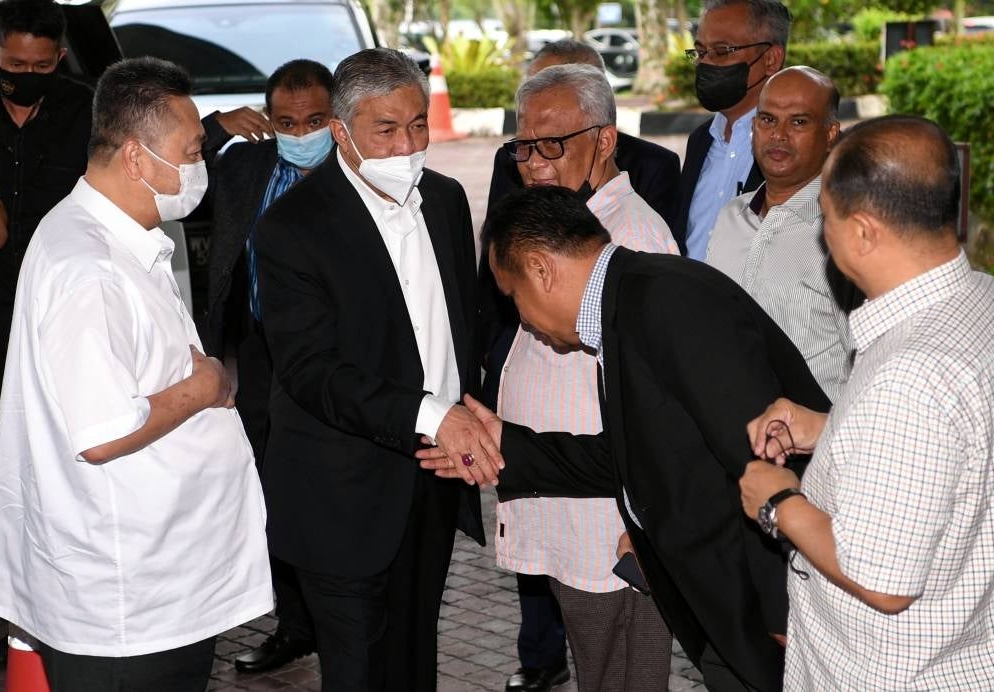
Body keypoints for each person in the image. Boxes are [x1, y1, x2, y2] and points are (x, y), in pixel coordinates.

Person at [421, 185, 831, 692]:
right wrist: (510, 444)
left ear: (541, 269)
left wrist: (781, 614)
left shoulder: (670, 302)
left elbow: (763, 456)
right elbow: (630, 456)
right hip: (725, 605)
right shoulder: (625, 305)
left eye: (514, 297)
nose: (520, 318)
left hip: (762, 613)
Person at [0, 56, 272, 691]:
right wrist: (201, 390)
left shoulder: (117, 235)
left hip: (156, 582)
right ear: (138, 159)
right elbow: (103, 431)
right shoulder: (88, 266)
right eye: (192, 149)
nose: (201, 164)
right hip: (125, 603)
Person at [254, 47, 491, 691]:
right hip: (342, 489)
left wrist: (472, 401)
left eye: (418, 125)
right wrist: (431, 412)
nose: (407, 144)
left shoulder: (442, 200)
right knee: (358, 670)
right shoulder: (291, 228)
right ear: (342, 131)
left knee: (415, 657)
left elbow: (455, 323)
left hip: (434, 481)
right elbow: (310, 369)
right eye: (385, 129)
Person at [740, 116, 994, 690]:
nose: (820, 235)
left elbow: (882, 578)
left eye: (823, 219)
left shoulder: (908, 375)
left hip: (888, 671)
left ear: (862, 232)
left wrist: (777, 500)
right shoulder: (979, 297)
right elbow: (947, 455)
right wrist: (827, 429)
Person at [495, 64, 678, 692]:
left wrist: (645, 521)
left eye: (554, 144)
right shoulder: (566, 223)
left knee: (625, 676)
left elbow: (660, 398)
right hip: (573, 510)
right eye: (524, 145)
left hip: (611, 523)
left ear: (603, 141)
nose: (534, 161)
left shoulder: (631, 239)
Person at [205, 58, 335, 675]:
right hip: (260, 353)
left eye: (314, 119)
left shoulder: (356, 168)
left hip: (333, 357)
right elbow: (169, 174)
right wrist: (212, 129)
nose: (300, 131)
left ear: (336, 118)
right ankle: (294, 624)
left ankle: (338, 621)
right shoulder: (244, 165)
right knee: (268, 489)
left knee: (326, 486)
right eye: (286, 120)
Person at [706, 66, 854, 402]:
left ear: (831, 134)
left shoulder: (846, 232)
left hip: (813, 443)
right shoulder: (731, 217)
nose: (779, 135)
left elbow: (866, 363)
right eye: (768, 120)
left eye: (799, 122)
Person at [0, 0, 92, 436]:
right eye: (15, 63)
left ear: (60, 58)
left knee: (54, 425)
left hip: (57, 299)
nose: (27, 75)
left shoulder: (86, 111)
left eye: (41, 65)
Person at [488, 39, 681, 228]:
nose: (534, 161)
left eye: (552, 143)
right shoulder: (514, 157)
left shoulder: (635, 233)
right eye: (536, 84)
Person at [675, 0, 790, 258]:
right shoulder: (700, 141)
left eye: (722, 51)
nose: (706, 63)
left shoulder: (794, 147)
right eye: (701, 52)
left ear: (771, 59)